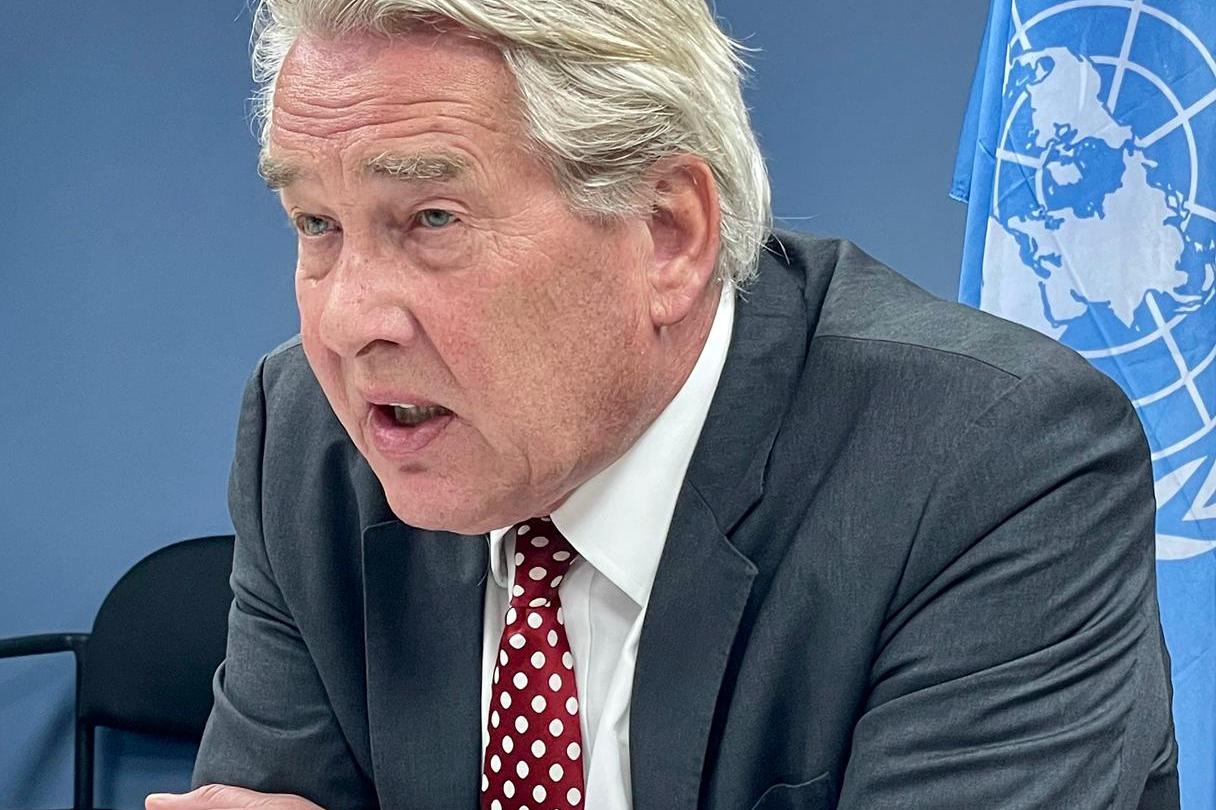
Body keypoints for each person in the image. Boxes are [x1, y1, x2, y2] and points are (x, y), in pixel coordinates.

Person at [145, 0, 1179, 808]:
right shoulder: (312, 441)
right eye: (316, 224)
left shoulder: (991, 465)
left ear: (668, 235)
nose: (346, 322)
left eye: (431, 219)